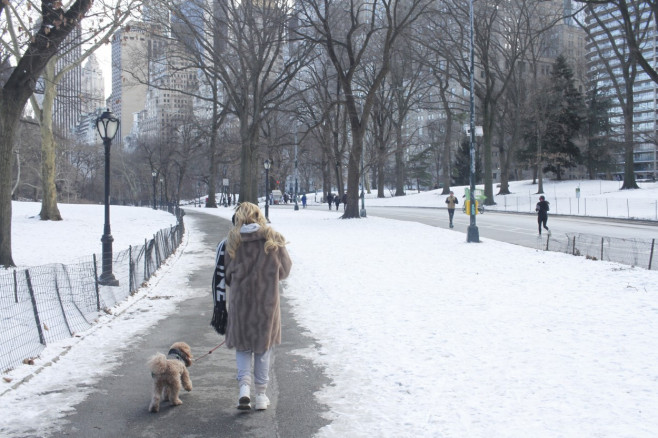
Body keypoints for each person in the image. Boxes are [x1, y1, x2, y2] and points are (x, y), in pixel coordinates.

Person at [224, 202, 292, 411]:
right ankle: (261, 396)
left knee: (243, 348)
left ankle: (244, 389)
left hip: (241, 304)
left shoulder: (233, 242)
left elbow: (227, 276)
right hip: (266, 305)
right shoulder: (273, 239)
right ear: (258, 215)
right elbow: (285, 271)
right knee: (263, 350)